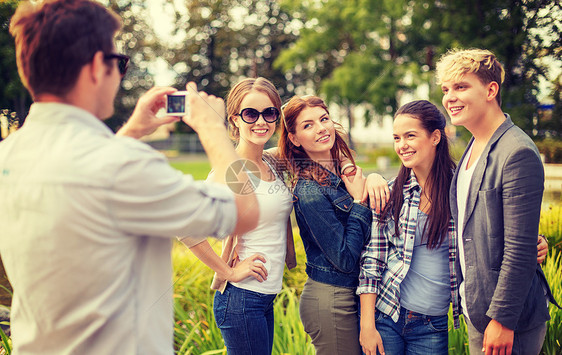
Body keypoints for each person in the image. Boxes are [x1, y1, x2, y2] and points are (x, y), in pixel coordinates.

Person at [0, 1, 259, 354]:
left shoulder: (8, 156)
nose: (120, 75)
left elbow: (88, 179)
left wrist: (133, 131)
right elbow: (244, 214)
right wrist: (213, 130)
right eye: (119, 63)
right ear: (95, 67)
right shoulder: (124, 166)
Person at [437, 48, 559, 355]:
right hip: (478, 309)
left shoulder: (517, 151)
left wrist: (502, 320)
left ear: (491, 89)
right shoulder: (473, 146)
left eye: (461, 87)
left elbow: (519, 248)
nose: (450, 97)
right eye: (446, 89)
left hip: (508, 319)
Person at [181, 77, 295, 355]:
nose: (261, 122)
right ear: (234, 120)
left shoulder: (269, 161)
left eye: (269, 113)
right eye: (250, 114)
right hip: (241, 298)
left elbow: (318, 149)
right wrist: (229, 271)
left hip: (264, 297)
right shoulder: (229, 171)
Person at [358, 100, 459, 355]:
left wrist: (534, 241)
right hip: (387, 316)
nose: (401, 145)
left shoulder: (461, 190)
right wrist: (367, 326)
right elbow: (373, 259)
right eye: (396, 138)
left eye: (410, 136)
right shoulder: (391, 192)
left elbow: (490, 230)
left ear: (435, 137)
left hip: (432, 323)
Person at [278, 95, 371, 355]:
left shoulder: (341, 175)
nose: (321, 128)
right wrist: (359, 202)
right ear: (294, 139)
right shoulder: (309, 191)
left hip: (354, 293)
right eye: (308, 125)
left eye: (324, 119)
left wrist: (372, 179)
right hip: (332, 300)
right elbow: (344, 258)